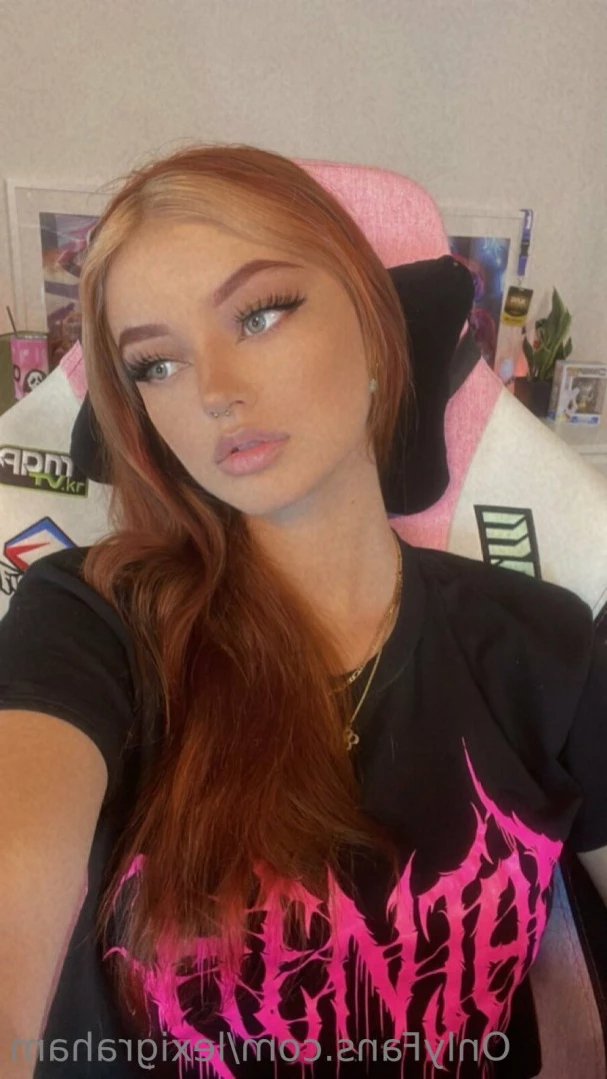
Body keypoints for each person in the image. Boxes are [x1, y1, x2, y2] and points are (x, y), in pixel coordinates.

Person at [0, 143, 606, 1079]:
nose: (213, 391)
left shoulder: (543, 647)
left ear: (373, 326)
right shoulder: (92, 618)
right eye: (155, 363)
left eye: (260, 313)